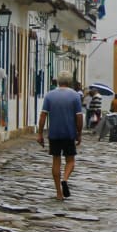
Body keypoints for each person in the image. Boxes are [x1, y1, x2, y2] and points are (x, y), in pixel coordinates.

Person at [36, 71, 83, 201]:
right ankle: (65, 179)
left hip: (54, 133)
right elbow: (79, 117)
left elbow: (43, 115)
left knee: (56, 161)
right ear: (69, 82)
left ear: (58, 82)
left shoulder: (50, 96)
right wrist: (79, 133)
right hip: (69, 133)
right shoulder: (75, 96)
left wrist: (40, 133)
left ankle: (58, 193)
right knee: (70, 161)